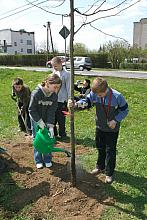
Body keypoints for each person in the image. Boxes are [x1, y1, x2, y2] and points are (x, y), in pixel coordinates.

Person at [68, 77, 129, 184]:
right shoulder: (94, 93)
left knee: (110, 150)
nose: (98, 97)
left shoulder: (117, 96)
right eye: (96, 95)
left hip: (112, 129)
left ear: (106, 90)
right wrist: (76, 104)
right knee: (100, 147)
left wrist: (115, 120)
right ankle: (100, 166)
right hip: (100, 127)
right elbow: (87, 102)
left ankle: (109, 173)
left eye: (100, 95)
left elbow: (125, 110)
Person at [29, 74, 62, 169]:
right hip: (36, 119)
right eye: (55, 87)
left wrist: (51, 126)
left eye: (58, 88)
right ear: (47, 83)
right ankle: (38, 160)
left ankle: (47, 159)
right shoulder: (36, 93)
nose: (56, 90)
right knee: (38, 139)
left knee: (48, 139)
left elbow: (52, 111)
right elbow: (31, 110)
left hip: (47, 120)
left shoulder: (54, 96)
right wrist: (39, 122)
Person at [51, 56, 71, 140]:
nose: (54, 67)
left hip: (62, 100)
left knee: (61, 118)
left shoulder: (67, 74)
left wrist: (69, 98)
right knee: (53, 118)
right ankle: (54, 134)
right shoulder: (54, 73)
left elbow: (69, 87)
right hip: (54, 99)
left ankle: (62, 134)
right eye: (53, 66)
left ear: (60, 64)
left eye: (55, 66)